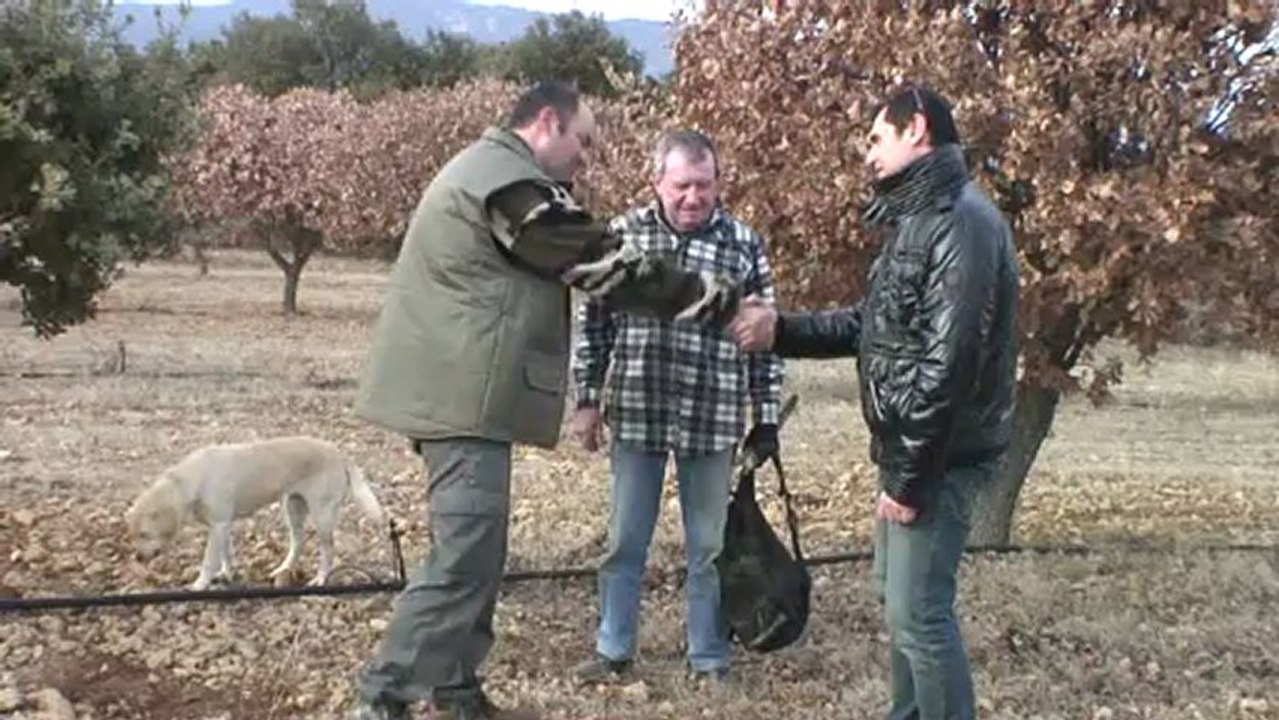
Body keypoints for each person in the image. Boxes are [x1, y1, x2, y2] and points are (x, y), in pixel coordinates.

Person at [348, 82, 741, 720]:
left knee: (479, 551)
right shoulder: (507, 183)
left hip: (464, 394)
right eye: (582, 141)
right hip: (457, 398)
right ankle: (383, 697)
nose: (586, 157)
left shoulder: (491, 170)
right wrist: (719, 300)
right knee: (464, 553)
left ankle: (456, 690)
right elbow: (600, 263)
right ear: (547, 123)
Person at [730, 85, 1019, 720]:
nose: (868, 155)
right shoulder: (920, 218)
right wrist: (782, 329)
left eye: (875, 139)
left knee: (920, 613)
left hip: (939, 456)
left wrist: (911, 479)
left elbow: (949, 366)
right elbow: (876, 325)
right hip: (913, 452)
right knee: (897, 597)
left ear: (915, 129)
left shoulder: (959, 223)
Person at [569, 130, 784, 686]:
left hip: (711, 414)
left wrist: (765, 417)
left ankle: (709, 655)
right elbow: (593, 325)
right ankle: (613, 648)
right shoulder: (623, 236)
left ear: (718, 185)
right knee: (624, 541)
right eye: (682, 186)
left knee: (710, 546)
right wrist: (586, 399)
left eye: (704, 186)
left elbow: (765, 336)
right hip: (639, 408)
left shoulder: (743, 244)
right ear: (657, 183)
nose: (693, 197)